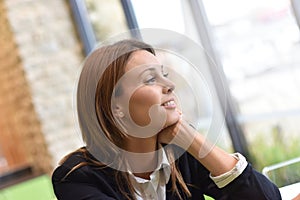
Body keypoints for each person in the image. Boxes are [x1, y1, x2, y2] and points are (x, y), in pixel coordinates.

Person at [52, 39, 281, 200]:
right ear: (115, 106)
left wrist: (190, 137)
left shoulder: (181, 153)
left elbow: (266, 198)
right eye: (150, 79)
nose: (170, 85)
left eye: (166, 75)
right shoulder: (77, 178)